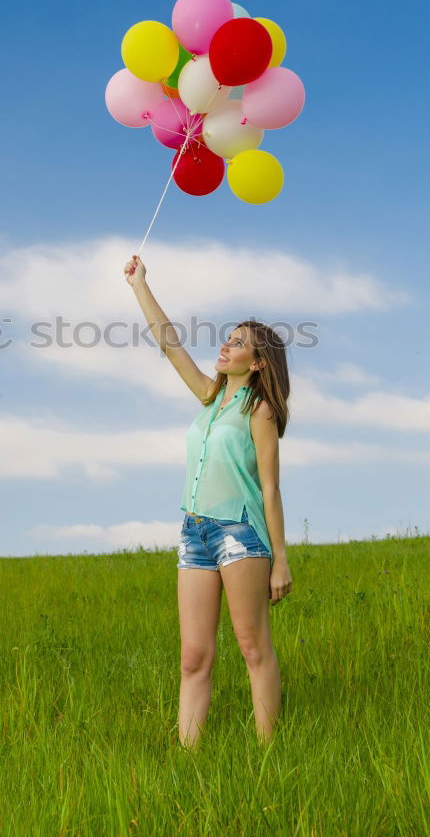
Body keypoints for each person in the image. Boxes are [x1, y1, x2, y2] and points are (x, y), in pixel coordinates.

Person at [123, 252, 293, 750]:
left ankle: (268, 757)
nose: (227, 344)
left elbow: (270, 488)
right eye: (229, 337)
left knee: (251, 646)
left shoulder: (259, 410)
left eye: (239, 343)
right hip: (194, 532)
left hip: (241, 534)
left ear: (257, 362)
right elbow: (168, 342)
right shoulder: (208, 396)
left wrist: (280, 559)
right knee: (193, 657)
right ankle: (188, 760)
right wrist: (139, 285)